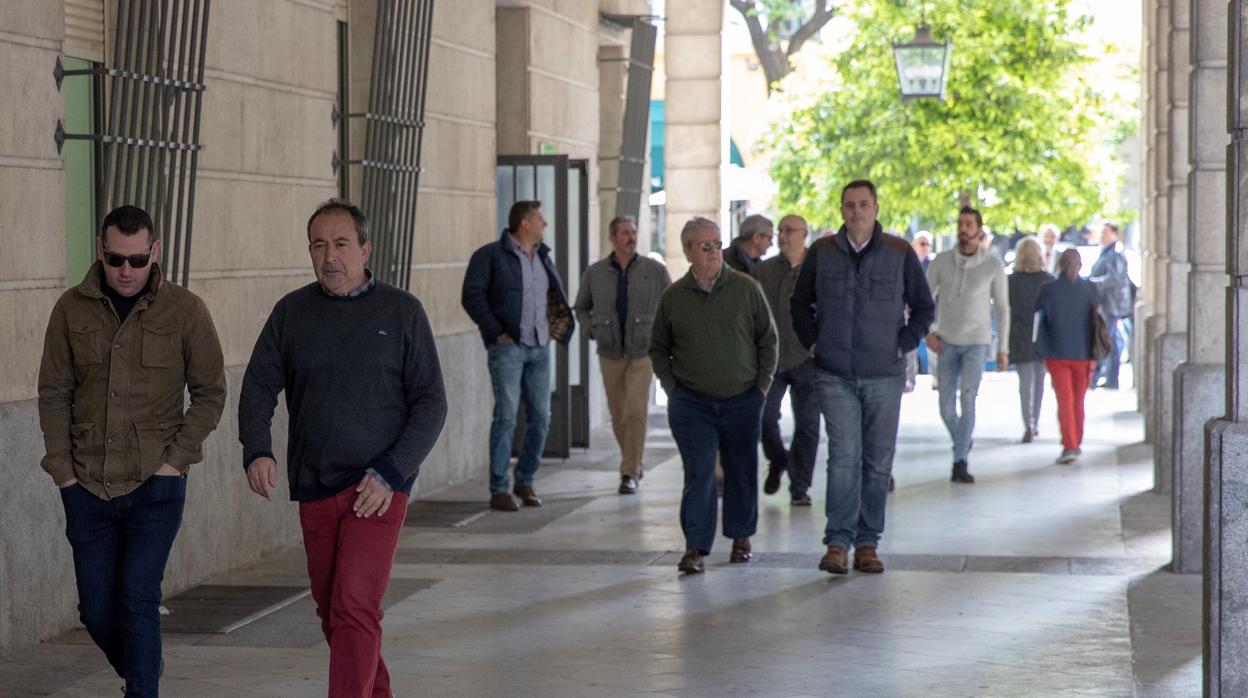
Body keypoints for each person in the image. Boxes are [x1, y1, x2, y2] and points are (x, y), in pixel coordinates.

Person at [238, 199, 448, 697]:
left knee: (354, 607)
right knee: (333, 610)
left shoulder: (402, 312)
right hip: (315, 483)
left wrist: (392, 472)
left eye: (341, 243)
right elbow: (258, 385)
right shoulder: (292, 312)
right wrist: (257, 448)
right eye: (318, 244)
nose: (329, 255)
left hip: (378, 488)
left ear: (365, 248)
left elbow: (431, 402)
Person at [38, 205, 226, 697]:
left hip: (155, 485)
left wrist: (175, 463)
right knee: (97, 610)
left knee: (138, 599)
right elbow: (54, 392)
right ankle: (144, 668)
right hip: (86, 485)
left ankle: (141, 689)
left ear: (155, 252)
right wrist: (63, 474)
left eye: (138, 260)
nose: (126, 271)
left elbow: (210, 392)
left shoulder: (186, 310)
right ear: (101, 251)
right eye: (116, 260)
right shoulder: (69, 310)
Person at [791, 180, 934, 575]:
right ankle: (837, 542)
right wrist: (813, 343)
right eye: (849, 205)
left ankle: (867, 544)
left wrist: (902, 344)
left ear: (875, 208)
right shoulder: (821, 253)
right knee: (843, 458)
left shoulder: (898, 252)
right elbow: (799, 304)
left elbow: (924, 307)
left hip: (884, 374)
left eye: (863, 205)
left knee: (876, 463)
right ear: (841, 210)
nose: (856, 212)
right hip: (834, 372)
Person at [650, 217, 777, 574]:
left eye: (718, 244)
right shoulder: (674, 297)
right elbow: (659, 348)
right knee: (699, 471)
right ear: (688, 250)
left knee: (741, 469)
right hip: (692, 402)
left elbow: (768, 339)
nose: (714, 253)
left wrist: (761, 387)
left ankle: (741, 537)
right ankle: (696, 546)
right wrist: (672, 388)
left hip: (742, 397)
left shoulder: (745, 288)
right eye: (705, 246)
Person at [462, 200, 575, 511]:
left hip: (540, 347)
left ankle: (524, 480)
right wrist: (495, 330)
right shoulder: (490, 256)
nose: (545, 224)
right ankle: (499, 488)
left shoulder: (542, 256)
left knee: (541, 417)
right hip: (508, 348)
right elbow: (471, 295)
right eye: (540, 218)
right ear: (524, 223)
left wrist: (557, 326)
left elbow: (554, 296)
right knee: (507, 416)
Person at [573, 215, 671, 494]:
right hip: (610, 352)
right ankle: (634, 463)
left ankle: (628, 473)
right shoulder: (596, 273)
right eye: (625, 233)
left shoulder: (655, 270)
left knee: (635, 412)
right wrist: (592, 329)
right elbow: (581, 307)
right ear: (612, 238)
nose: (631, 237)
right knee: (618, 415)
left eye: (634, 232)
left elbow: (671, 305)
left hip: (643, 352)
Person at [926, 206, 1009, 484]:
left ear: (979, 230)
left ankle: (960, 460)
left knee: (968, 397)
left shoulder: (992, 265)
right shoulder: (941, 262)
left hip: (976, 341)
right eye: (960, 224)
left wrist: (1003, 348)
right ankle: (963, 440)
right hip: (946, 341)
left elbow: (1002, 308)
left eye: (968, 225)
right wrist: (927, 333)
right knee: (945, 406)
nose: (963, 229)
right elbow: (924, 300)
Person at [754, 214, 819, 505]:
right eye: (780, 231)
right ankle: (779, 460)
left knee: (807, 425)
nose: (783, 236)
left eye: (789, 231)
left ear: (804, 234)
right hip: (772, 360)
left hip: (808, 358)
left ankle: (799, 486)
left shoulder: (818, 269)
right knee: (764, 418)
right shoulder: (763, 271)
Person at [1034, 249, 1098, 463]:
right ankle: (1075, 442)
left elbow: (1038, 319)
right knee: (1078, 400)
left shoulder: (1047, 289)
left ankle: (1070, 444)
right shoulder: (1089, 288)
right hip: (1084, 354)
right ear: (1079, 265)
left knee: (1065, 400)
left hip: (1056, 353)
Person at [1008, 237, 1055, 443]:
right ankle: (1035, 419)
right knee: (1040, 381)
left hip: (1019, 334)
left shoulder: (1011, 281)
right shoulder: (1048, 280)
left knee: (1024, 382)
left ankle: (1028, 423)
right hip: (1041, 336)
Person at [1089, 221, 1133, 389]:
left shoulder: (1115, 253)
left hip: (1111, 304)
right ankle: (1108, 376)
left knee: (1110, 340)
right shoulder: (1107, 252)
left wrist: (1093, 283)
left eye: (1105, 232)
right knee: (1109, 339)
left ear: (1114, 234)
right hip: (1108, 303)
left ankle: (1111, 377)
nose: (1102, 236)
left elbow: (1114, 278)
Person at [905, 231, 935, 391]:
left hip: (930, 311)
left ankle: (937, 377)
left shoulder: (933, 264)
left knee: (934, 344)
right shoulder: (907, 263)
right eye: (921, 243)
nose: (924, 247)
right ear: (913, 244)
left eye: (927, 244)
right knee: (911, 346)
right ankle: (909, 379)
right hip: (910, 311)